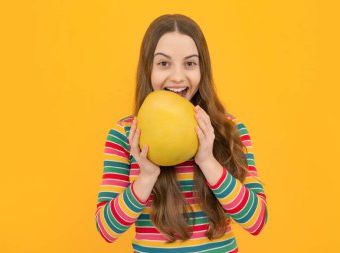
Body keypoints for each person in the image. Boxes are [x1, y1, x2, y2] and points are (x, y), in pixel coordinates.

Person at [95, 14, 268, 252]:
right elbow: (107, 229)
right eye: (164, 63)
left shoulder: (229, 129)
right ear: (148, 68)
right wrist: (145, 177)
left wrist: (208, 161)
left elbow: (256, 220)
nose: (177, 76)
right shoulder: (126, 135)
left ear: (202, 70)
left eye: (189, 63)